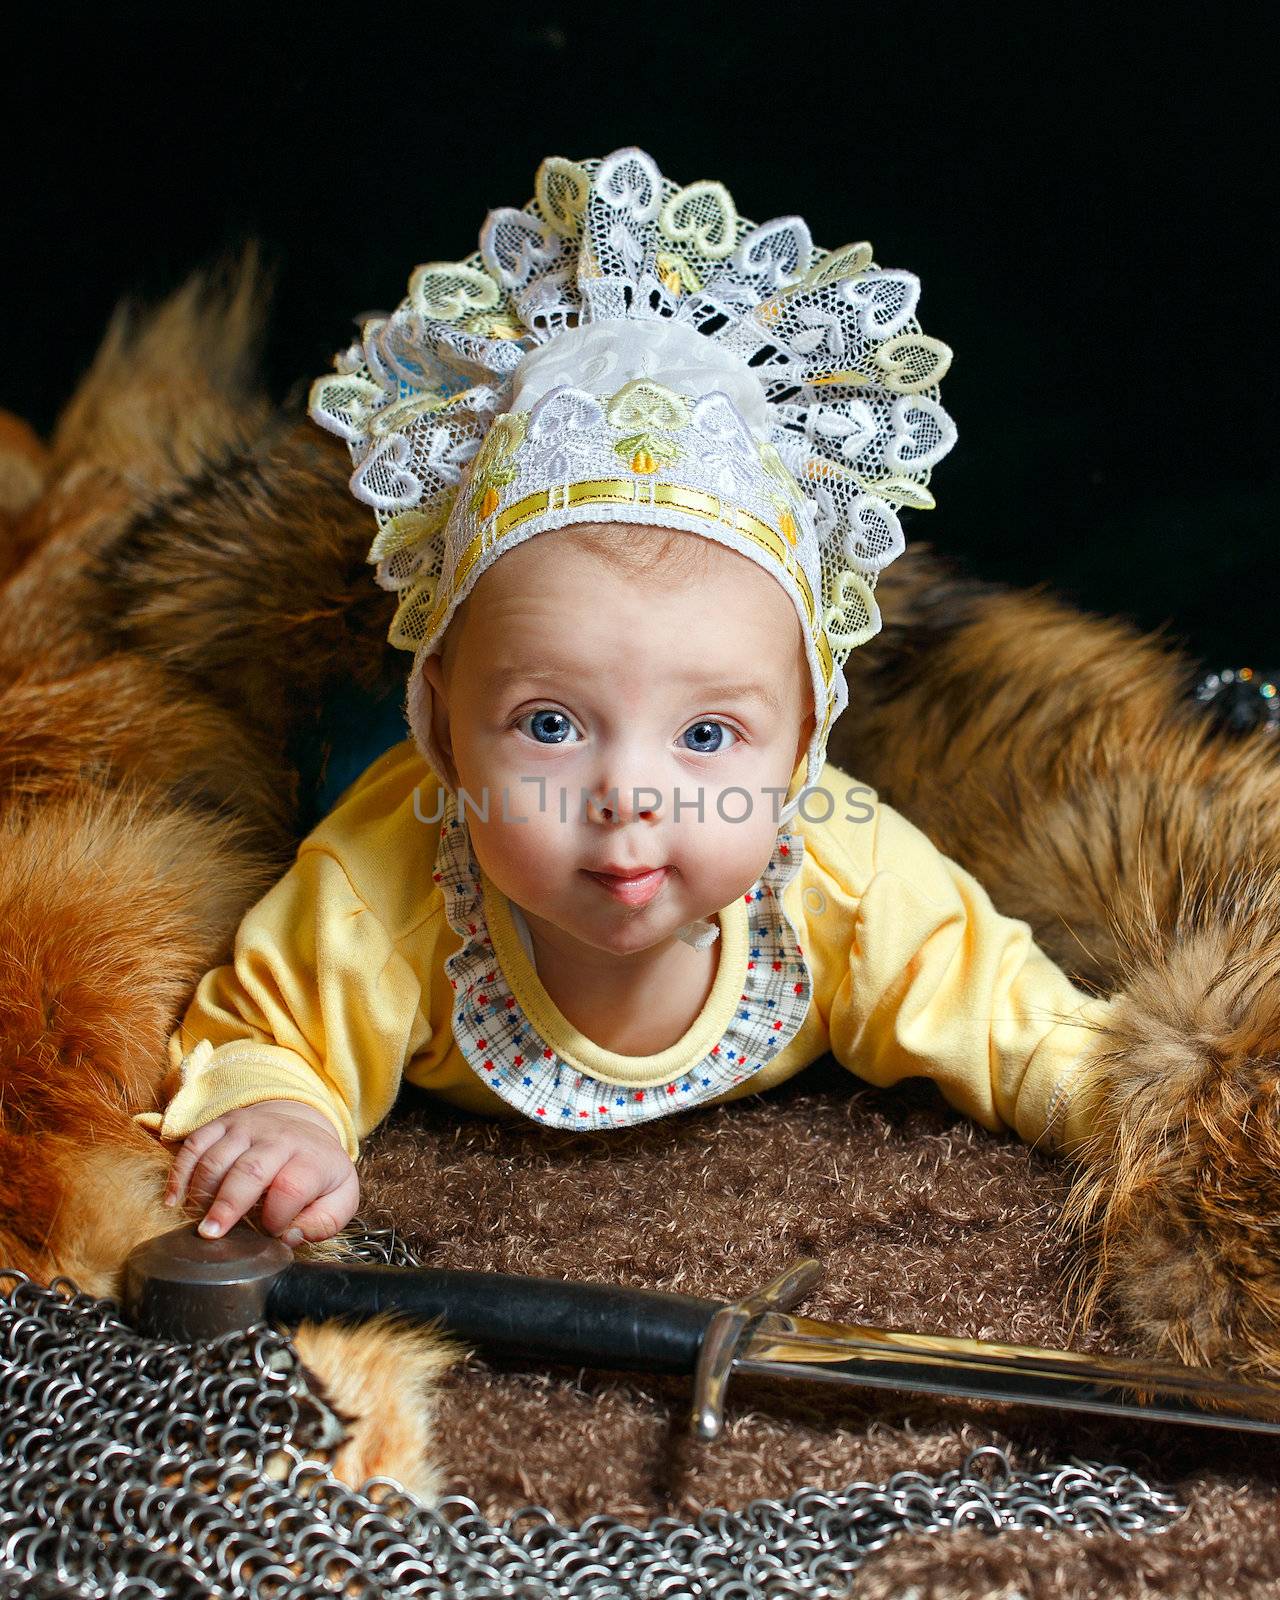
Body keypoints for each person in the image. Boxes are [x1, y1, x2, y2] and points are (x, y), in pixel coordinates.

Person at [136, 147, 1116, 1248]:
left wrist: (1121, 1106)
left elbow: (1015, 1023)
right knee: (307, 749)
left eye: (706, 733)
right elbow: (271, 1027)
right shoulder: (383, 888)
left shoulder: (845, 877)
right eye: (549, 724)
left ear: (801, 746)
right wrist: (280, 1113)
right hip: (375, 769)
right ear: (445, 727)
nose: (627, 796)